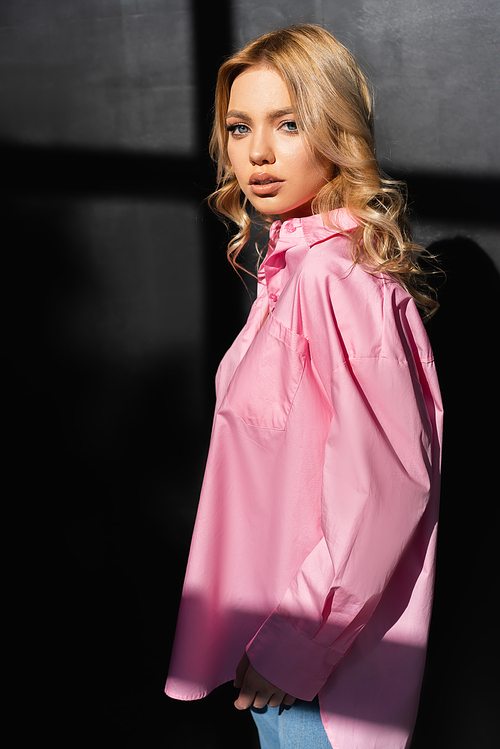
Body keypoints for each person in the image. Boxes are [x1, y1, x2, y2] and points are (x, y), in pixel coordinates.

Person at [165, 24, 443, 749]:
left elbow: (388, 486)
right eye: (238, 127)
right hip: (286, 662)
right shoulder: (293, 270)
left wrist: (296, 645)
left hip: (319, 678)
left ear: (335, 130)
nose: (257, 151)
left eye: (288, 124)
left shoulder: (330, 276)